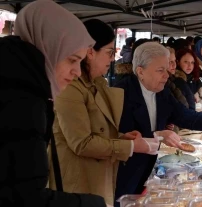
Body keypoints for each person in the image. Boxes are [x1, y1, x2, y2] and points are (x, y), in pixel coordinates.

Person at [0, 0, 109, 206]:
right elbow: (25, 198)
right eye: (71, 60)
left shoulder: (20, 86)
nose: (77, 72)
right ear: (48, 49)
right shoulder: (22, 100)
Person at [48, 19, 158, 206]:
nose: (112, 58)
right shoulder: (71, 87)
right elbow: (82, 143)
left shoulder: (97, 83)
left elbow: (99, 130)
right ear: (90, 52)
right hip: (77, 183)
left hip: (97, 177)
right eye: (109, 52)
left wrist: (122, 138)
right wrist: (131, 148)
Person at [113, 42, 202, 205]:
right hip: (123, 171)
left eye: (166, 69)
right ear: (140, 71)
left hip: (146, 167)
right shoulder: (121, 93)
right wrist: (158, 135)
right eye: (160, 70)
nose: (167, 75)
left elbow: (182, 114)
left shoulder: (162, 91)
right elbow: (120, 135)